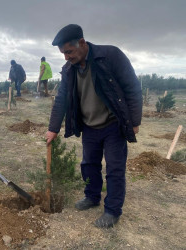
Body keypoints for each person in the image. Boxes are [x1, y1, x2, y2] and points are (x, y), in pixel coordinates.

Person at [45, 24, 142, 228]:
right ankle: (92, 196)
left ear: (82, 43)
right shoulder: (69, 70)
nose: (66, 57)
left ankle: (112, 211)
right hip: (89, 126)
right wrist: (53, 128)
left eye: (68, 52)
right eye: (63, 53)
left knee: (115, 169)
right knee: (89, 165)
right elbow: (61, 99)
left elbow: (132, 87)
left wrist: (134, 121)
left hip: (113, 124)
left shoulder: (110, 55)